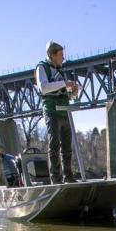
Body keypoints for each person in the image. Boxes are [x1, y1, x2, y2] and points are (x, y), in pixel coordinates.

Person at [35, 41, 80, 184]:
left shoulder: (59, 72)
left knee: (67, 147)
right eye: (61, 55)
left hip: (64, 112)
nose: (63, 58)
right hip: (52, 112)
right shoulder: (42, 68)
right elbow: (43, 87)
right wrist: (65, 84)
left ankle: (69, 177)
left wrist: (73, 93)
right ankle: (56, 179)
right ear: (52, 55)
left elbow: (66, 95)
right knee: (54, 146)